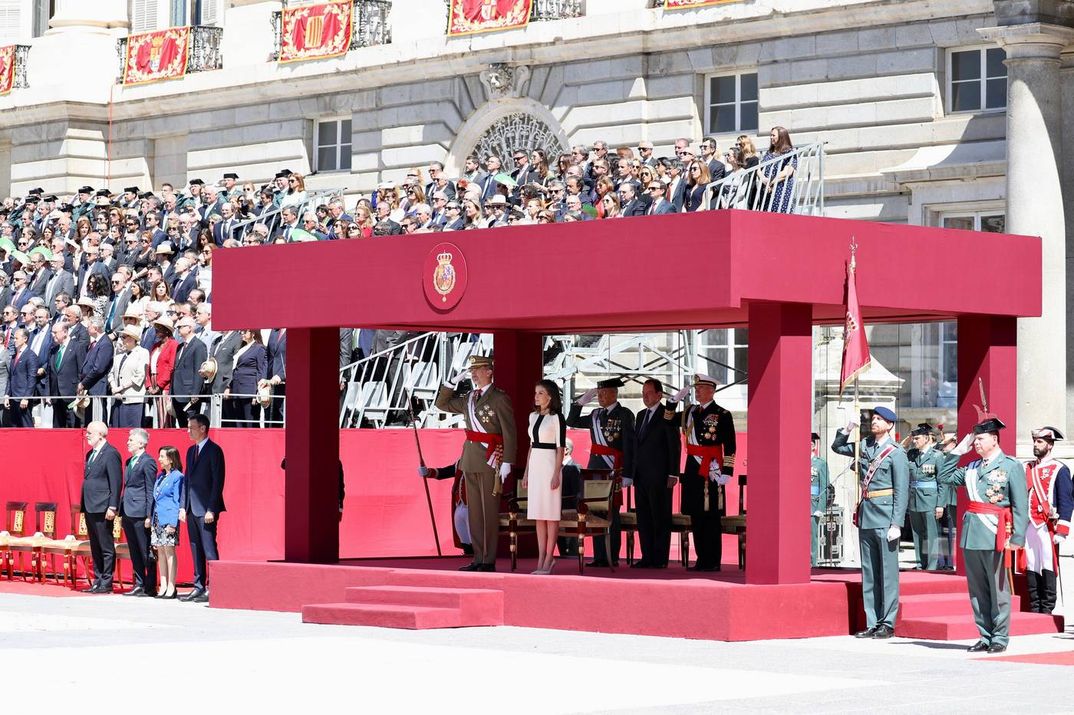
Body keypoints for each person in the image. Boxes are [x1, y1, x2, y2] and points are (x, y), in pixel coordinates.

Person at [937, 417, 1029, 652]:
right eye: (975, 439)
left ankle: (999, 637)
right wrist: (958, 451)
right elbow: (945, 477)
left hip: (996, 533)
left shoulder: (1011, 466)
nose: (976, 443)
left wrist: (1017, 538)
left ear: (994, 439)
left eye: (980, 439)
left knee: (998, 590)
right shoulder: (972, 468)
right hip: (972, 535)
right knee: (977, 590)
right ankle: (985, 635)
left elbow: (1020, 505)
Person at [434, 354, 516, 572]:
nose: (473, 374)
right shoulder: (469, 397)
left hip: (490, 460)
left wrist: (508, 460)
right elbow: (441, 404)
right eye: (472, 370)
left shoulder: (499, 398)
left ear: (489, 371)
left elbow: (509, 432)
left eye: (477, 370)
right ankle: (478, 557)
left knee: (488, 513)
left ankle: (488, 560)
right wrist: (451, 383)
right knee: (474, 514)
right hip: (470, 459)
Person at [831, 405, 908, 638]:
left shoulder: (896, 453)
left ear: (889, 425)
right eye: (873, 418)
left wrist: (897, 523)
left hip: (886, 518)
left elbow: (901, 491)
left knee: (887, 572)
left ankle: (887, 622)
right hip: (866, 515)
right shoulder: (863, 446)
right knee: (869, 572)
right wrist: (849, 427)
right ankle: (872, 621)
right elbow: (837, 447)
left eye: (879, 419)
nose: (874, 422)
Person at [667, 374, 735, 572]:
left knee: (711, 516)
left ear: (712, 390)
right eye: (696, 389)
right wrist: (673, 401)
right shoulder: (689, 412)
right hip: (693, 467)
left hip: (712, 467)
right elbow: (667, 419)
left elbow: (730, 444)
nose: (697, 392)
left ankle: (713, 560)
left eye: (701, 388)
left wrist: (727, 470)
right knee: (696, 515)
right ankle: (701, 559)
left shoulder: (722, 414)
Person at [567, 377, 635, 567]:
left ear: (614, 393)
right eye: (599, 394)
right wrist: (579, 403)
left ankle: (611, 555)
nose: (601, 397)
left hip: (613, 467)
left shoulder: (624, 414)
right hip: (595, 468)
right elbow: (571, 421)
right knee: (596, 511)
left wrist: (628, 473)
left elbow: (629, 446)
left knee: (611, 512)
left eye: (605, 393)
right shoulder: (596, 414)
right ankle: (599, 556)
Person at [1022, 426, 1073, 613]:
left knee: (1047, 563)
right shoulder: (1028, 467)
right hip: (1030, 523)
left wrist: (1062, 530)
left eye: (1040, 441)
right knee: (1031, 562)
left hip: (1047, 525)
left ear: (1050, 445)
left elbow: (1066, 501)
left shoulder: (1060, 469)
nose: (1036, 444)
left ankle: (1047, 608)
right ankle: (1034, 606)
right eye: (1035, 441)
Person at [629, 378, 679, 569]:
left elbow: (674, 445)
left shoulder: (667, 414)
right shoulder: (641, 415)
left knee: (660, 517)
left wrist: (673, 473)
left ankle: (659, 558)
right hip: (640, 475)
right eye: (643, 393)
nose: (645, 396)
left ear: (659, 395)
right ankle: (647, 556)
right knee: (644, 517)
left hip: (660, 475)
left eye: (649, 393)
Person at [180, 413, 226, 602]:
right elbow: (187, 480)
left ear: (203, 428)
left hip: (205, 509)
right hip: (191, 508)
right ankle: (198, 585)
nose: (188, 430)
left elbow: (218, 482)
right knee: (195, 547)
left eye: (191, 427)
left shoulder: (214, 450)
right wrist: (183, 506)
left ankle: (214, 586)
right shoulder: (191, 451)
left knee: (208, 547)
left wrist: (211, 509)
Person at [522, 380, 566, 574]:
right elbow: (531, 446)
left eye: (540, 393)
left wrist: (556, 473)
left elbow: (561, 448)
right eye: (535, 392)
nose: (536, 396)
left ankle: (549, 558)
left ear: (550, 396)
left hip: (550, 465)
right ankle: (541, 558)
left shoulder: (557, 418)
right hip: (536, 466)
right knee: (539, 515)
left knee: (551, 514)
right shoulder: (532, 417)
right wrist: (526, 473)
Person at [80, 420, 123, 593]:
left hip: (103, 506)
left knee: (105, 546)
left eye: (90, 433)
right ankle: (97, 579)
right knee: (95, 546)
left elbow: (116, 482)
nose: (87, 435)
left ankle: (106, 581)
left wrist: (112, 506)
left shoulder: (111, 453)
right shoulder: (91, 453)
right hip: (90, 505)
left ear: (100, 434)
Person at [905, 422, 948, 570]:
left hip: (930, 500)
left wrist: (940, 505)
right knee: (917, 533)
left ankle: (932, 564)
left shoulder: (937, 456)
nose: (914, 441)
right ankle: (920, 563)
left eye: (917, 439)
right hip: (914, 499)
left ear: (926, 438)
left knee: (931, 534)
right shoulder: (911, 454)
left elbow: (943, 482)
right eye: (913, 439)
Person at [121, 428, 158, 597]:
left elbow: (150, 490)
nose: (128, 442)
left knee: (145, 550)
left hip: (140, 511)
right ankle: (139, 582)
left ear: (141, 443)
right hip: (128, 510)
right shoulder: (129, 461)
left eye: (131, 440)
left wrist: (149, 515)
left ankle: (150, 586)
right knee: (134, 550)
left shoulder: (148, 462)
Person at [152, 445, 185, 599]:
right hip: (157, 518)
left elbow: (177, 500)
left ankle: (172, 585)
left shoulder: (177, 476)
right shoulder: (160, 477)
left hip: (168, 518)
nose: (159, 459)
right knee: (160, 552)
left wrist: (173, 522)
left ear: (171, 459)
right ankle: (163, 584)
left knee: (169, 551)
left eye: (162, 457)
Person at [419, 460, 472, 555]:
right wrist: (428, 472)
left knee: (474, 537)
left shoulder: (482, 460)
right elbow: (444, 472)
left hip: (473, 505)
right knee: (463, 535)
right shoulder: (460, 462)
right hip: (459, 504)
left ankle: (478, 560)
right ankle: (468, 555)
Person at [108, 325, 148, 428]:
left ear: (132, 338)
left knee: (132, 430)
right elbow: (111, 373)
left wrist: (120, 388)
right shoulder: (119, 355)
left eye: (124, 337)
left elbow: (140, 375)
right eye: (121, 337)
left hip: (133, 400)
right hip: (117, 399)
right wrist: (114, 388)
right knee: (116, 429)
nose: (121, 340)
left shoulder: (142, 352)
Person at [226, 329, 266, 427]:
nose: (242, 334)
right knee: (239, 421)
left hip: (249, 389)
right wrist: (229, 386)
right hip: (237, 388)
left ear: (253, 334)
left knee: (250, 421)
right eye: (241, 332)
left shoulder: (259, 348)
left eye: (245, 332)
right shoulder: (242, 348)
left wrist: (256, 392)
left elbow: (261, 370)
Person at [760, 126, 797, 213]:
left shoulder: (789, 152)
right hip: (766, 189)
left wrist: (771, 181)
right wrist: (764, 179)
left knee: (781, 217)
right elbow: (759, 168)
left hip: (781, 189)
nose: (771, 137)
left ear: (781, 136)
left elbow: (787, 172)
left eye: (773, 135)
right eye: (771, 135)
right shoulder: (768, 153)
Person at [6, 328, 38, 427]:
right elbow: (10, 376)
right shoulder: (14, 355)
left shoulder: (30, 355)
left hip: (23, 398)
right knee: (14, 427)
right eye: (13, 338)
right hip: (13, 397)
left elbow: (32, 378)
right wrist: (7, 395)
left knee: (26, 425)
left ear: (25, 339)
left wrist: (26, 397)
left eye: (16, 338)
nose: (14, 340)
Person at [810, 432, 830, 568]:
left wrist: (820, 508)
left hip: (812, 503)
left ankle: (812, 563)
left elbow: (825, 486)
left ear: (813, 446)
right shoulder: (797, 460)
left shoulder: (820, 463)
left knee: (812, 537)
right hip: (797, 504)